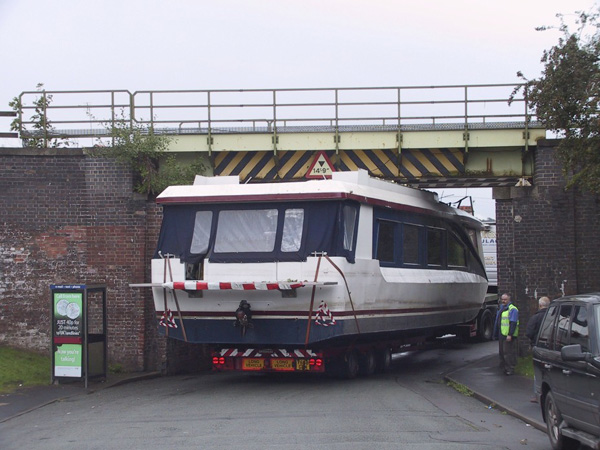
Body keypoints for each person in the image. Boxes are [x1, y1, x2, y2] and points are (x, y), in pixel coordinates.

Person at [525, 296, 550, 402]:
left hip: (538, 346)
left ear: (540, 305)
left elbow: (529, 333)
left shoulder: (535, 318)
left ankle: (538, 395)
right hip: (551, 348)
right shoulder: (552, 316)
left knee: (538, 371)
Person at [493, 293, 519, 375]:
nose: (503, 301)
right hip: (502, 334)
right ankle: (504, 368)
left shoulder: (513, 309)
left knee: (508, 353)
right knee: (502, 352)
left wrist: (510, 334)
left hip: (508, 335)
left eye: (505, 299)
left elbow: (513, 323)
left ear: (509, 300)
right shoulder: (502, 308)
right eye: (502, 299)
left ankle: (510, 368)